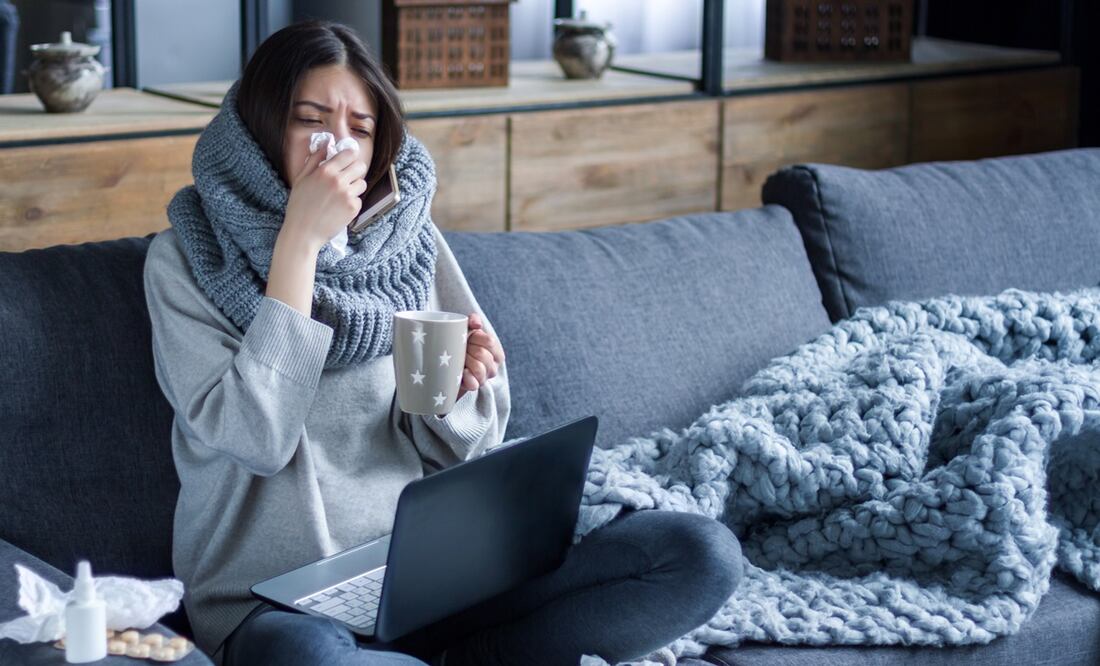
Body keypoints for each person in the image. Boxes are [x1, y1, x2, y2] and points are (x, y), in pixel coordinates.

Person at [143, 20, 744, 666]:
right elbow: (255, 437)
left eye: (360, 130)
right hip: (273, 605)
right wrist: (299, 243)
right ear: (260, 128)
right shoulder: (188, 258)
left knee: (699, 555)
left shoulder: (404, 243)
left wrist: (451, 397)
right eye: (310, 120)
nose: (336, 146)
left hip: (422, 576)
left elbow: (467, 448)